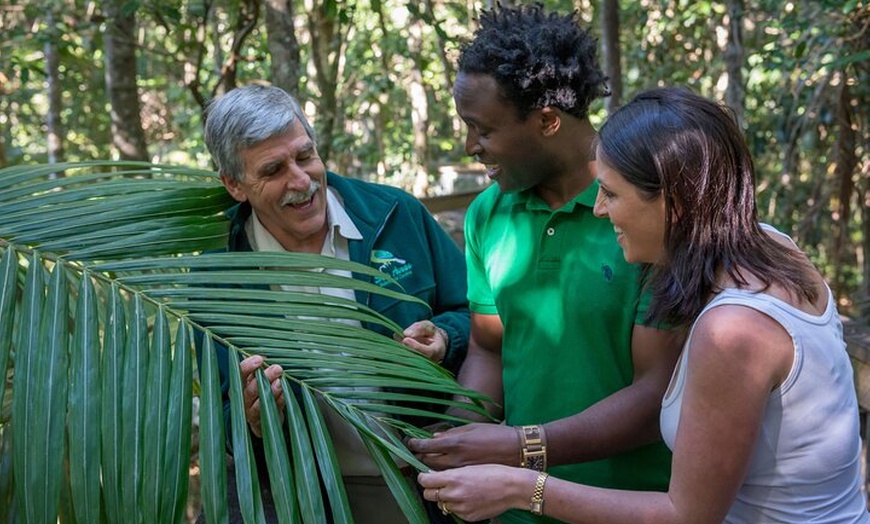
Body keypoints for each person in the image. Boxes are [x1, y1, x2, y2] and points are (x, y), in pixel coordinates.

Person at [417, 87, 870, 523]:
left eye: (611, 193)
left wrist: (520, 487)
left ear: (674, 202)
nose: (598, 210)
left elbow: (687, 516)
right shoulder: (772, 245)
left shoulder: (733, 331)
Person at [407, 4, 682, 523]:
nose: (470, 147)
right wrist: (452, 437)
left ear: (548, 121)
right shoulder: (488, 214)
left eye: (482, 129)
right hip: (511, 507)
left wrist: (517, 449)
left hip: (630, 505)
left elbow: (656, 394)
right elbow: (489, 350)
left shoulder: (645, 210)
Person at [197, 84, 470, 524]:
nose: (301, 181)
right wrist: (252, 419)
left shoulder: (394, 213)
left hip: (428, 478)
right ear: (234, 185)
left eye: (305, 156)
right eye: (273, 170)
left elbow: (476, 313)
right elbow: (222, 412)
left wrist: (444, 337)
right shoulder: (217, 275)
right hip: (309, 496)